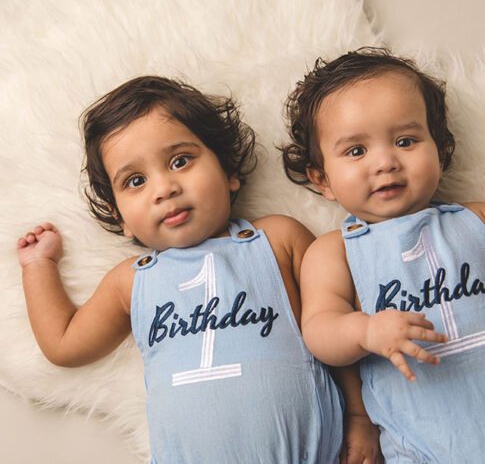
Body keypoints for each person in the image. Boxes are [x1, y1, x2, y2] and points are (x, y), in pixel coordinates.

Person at [17, 76, 380, 463]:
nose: (164, 188)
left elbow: (340, 322)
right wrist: (38, 265)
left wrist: (360, 415)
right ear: (120, 216)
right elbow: (63, 344)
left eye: (180, 161)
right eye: (135, 181)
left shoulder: (278, 240)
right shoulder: (131, 281)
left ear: (228, 172)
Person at [282, 47, 485, 463]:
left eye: (406, 141)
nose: (385, 162)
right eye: (356, 151)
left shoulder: (475, 219)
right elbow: (320, 331)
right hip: (421, 444)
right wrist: (366, 332)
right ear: (323, 179)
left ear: (440, 150)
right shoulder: (334, 252)